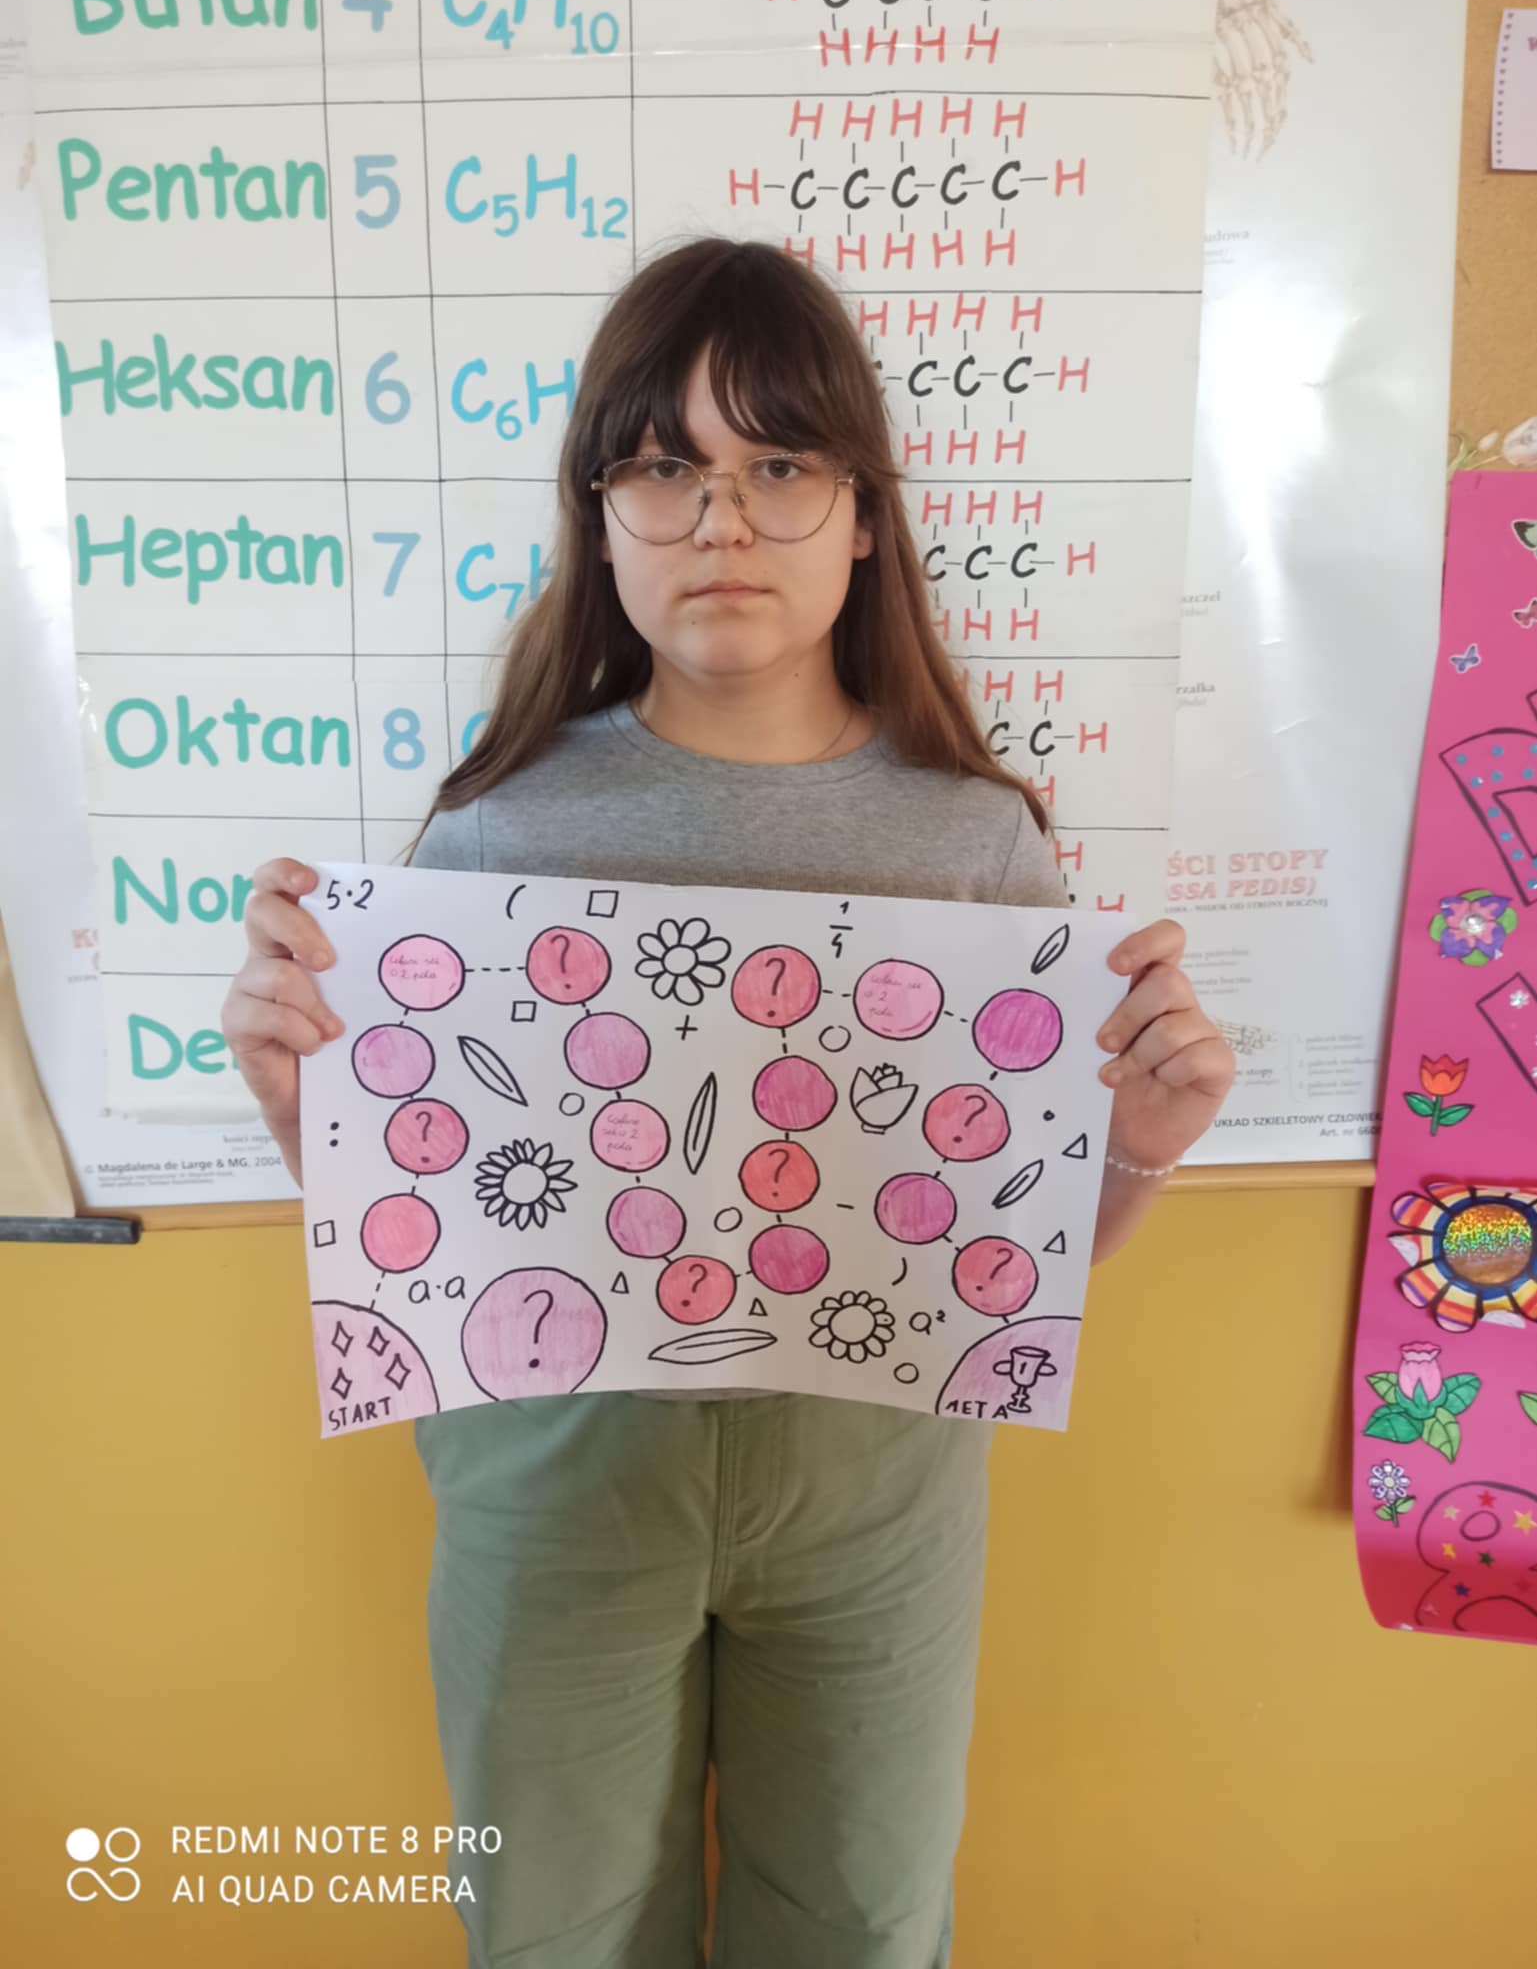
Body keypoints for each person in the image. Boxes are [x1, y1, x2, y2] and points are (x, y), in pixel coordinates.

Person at [221, 237, 1235, 1968]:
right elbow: (431, 1228)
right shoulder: (496, 832)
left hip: (876, 1491)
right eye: (660, 469)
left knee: (857, 1919)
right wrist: (294, 1101)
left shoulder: (973, 843)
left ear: (863, 515)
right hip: (559, 1474)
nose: (719, 523)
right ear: (600, 517)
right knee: (553, 1923)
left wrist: (1128, 1154)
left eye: (777, 466)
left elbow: (1002, 1265)